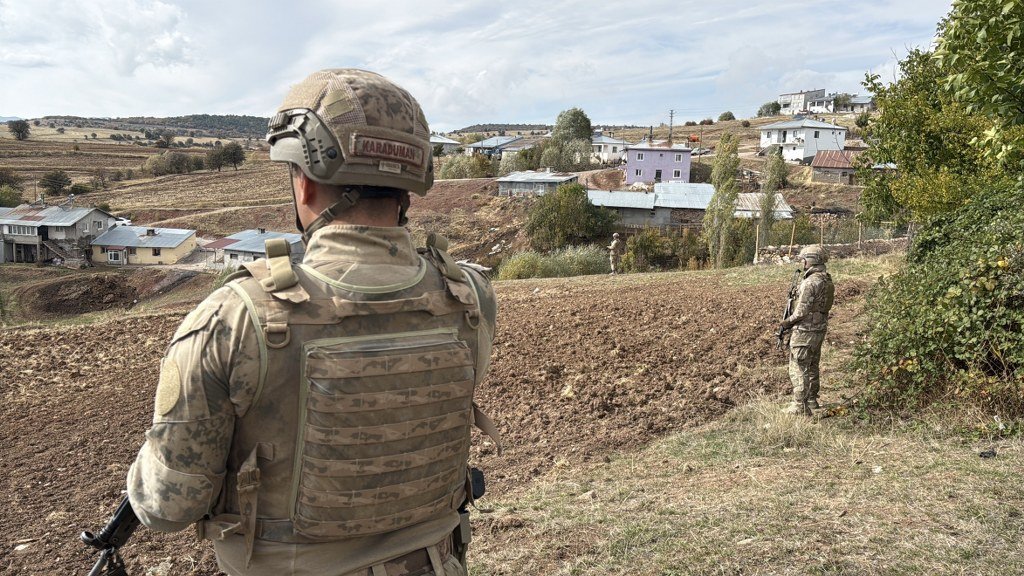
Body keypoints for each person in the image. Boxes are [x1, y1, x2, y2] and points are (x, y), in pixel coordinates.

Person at [126, 69, 499, 576]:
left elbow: (167, 507)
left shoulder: (233, 317)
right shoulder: (469, 296)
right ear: (410, 183)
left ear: (303, 183)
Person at [779, 244, 834, 415]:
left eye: (803, 259)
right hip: (819, 328)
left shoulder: (810, 282)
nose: (802, 263)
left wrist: (786, 322)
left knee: (798, 365)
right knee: (812, 365)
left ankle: (798, 405)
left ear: (810, 261)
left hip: (805, 330)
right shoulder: (827, 280)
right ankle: (811, 401)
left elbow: (801, 311)